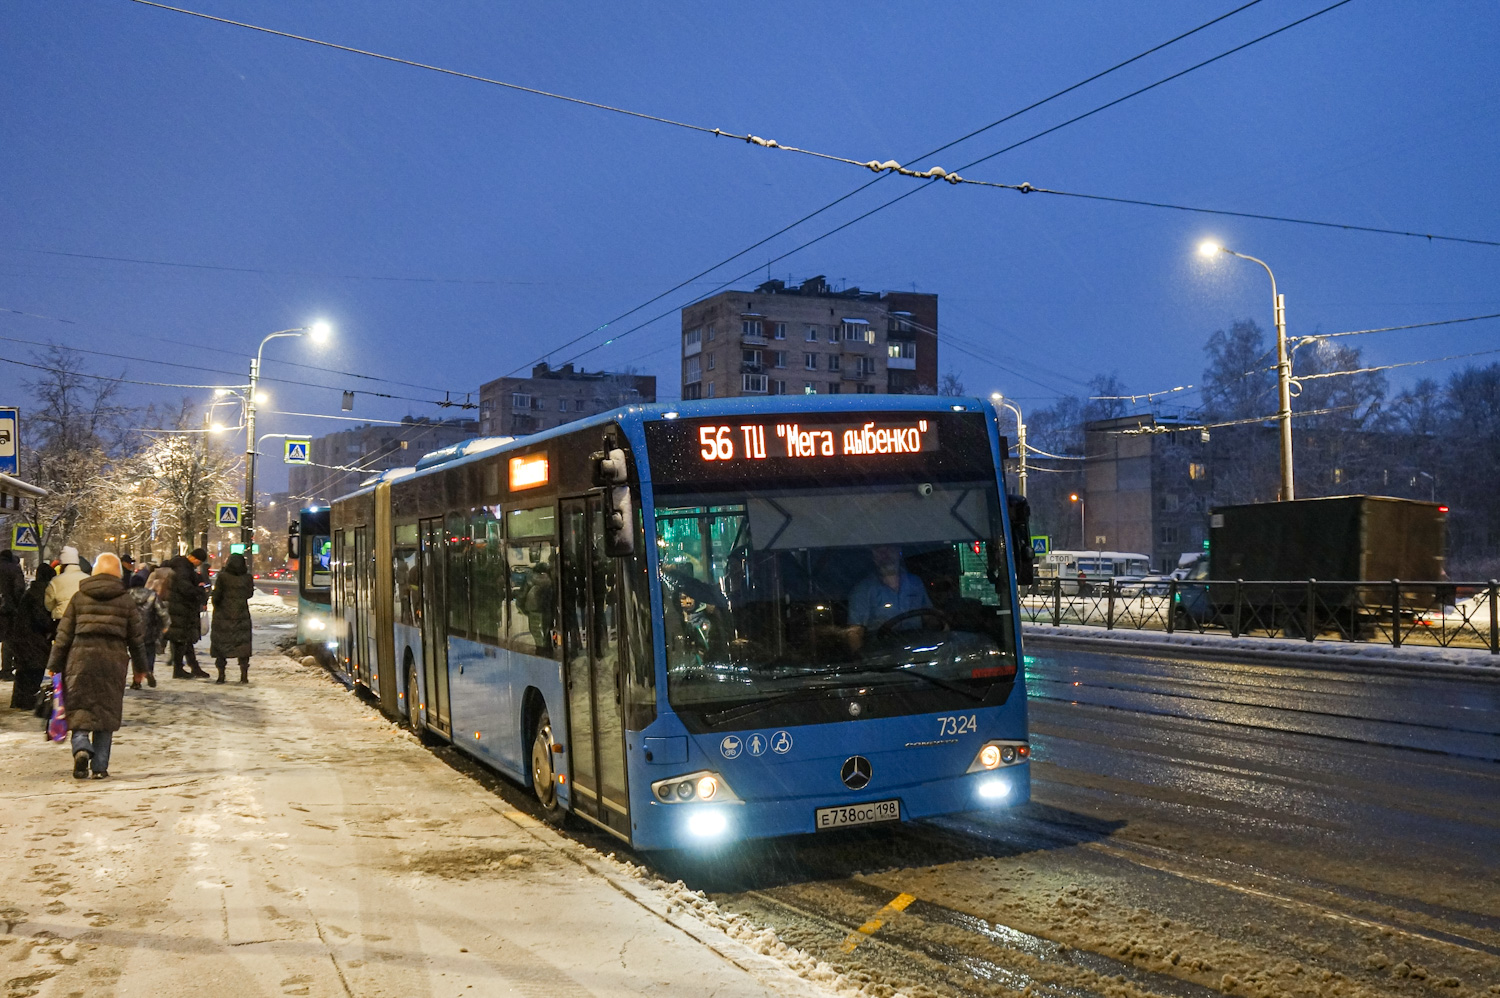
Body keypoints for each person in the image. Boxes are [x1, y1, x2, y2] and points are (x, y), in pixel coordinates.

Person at [47, 553, 148, 780]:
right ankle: (100, 767)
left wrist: (54, 664)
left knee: (80, 706)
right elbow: (136, 638)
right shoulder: (125, 600)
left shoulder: (79, 597)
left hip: (80, 658)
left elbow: (63, 635)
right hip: (113, 660)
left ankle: (81, 747)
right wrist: (141, 669)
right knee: (106, 711)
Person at [846, 545, 932, 651]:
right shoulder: (862, 590)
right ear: (873, 556)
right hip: (883, 653)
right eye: (879, 551)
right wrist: (861, 659)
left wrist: (943, 625)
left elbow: (929, 616)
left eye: (890, 549)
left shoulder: (915, 583)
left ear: (899, 552)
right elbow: (855, 632)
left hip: (918, 649)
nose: (885, 555)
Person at [8, 563, 53, 710]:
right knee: (34, 669)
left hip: (22, 637)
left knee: (23, 669)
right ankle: (27, 701)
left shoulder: (33, 590)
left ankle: (18, 700)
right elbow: (40, 618)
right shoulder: (41, 592)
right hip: (33, 638)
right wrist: (52, 627)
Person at [164, 548, 210, 679]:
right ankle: (178, 670)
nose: (198, 565)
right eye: (199, 562)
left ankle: (193, 667)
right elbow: (185, 588)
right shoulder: (183, 568)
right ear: (195, 559)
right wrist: (200, 589)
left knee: (186, 639)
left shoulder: (184, 566)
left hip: (182, 607)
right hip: (181, 608)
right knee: (181, 639)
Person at [209, 553, 254, 684]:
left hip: (223, 615)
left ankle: (221, 675)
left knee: (221, 645)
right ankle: (244, 675)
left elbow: (217, 595)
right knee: (243, 646)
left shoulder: (223, 577)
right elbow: (249, 594)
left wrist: (217, 605)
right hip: (242, 615)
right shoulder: (247, 578)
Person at [127, 575, 165, 689]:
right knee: (149, 652)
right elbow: (161, 611)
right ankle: (149, 670)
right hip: (149, 628)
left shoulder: (126, 595)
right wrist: (163, 625)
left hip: (133, 629)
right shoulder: (152, 595)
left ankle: (136, 681)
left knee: (136, 654)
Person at [0, 549, 26, 682]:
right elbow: (19, 588)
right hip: (7, 611)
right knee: (8, 640)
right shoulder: (14, 569)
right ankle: (6, 670)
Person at [45, 546, 87, 621]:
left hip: (61, 620)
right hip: (82, 620)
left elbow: (48, 604)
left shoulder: (56, 581)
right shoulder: (87, 579)